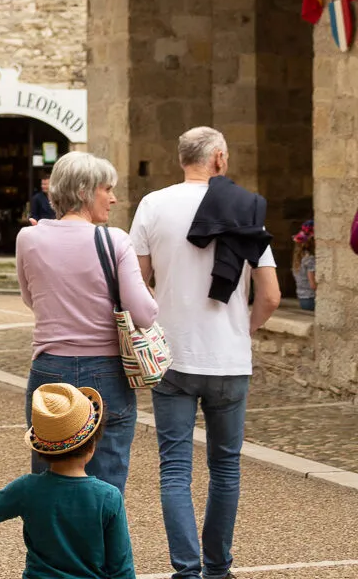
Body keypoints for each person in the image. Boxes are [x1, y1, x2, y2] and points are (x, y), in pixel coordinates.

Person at [130, 126, 280, 579]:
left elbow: (138, 281)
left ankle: (186, 571)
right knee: (225, 468)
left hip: (172, 354)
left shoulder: (153, 205)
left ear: (182, 159)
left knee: (175, 468)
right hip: (229, 357)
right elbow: (270, 294)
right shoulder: (247, 207)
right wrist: (243, 328)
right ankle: (218, 569)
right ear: (218, 158)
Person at [15, 152, 156, 495]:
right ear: (84, 191)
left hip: (49, 369)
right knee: (106, 486)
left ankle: (54, 548)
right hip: (107, 372)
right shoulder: (115, 240)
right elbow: (144, 315)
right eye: (107, 189)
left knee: (49, 483)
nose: (113, 197)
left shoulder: (27, 239)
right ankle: (103, 549)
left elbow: (30, 299)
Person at [0, 382, 134, 579]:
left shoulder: (27, 489)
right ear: (92, 445)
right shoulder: (108, 497)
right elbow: (121, 568)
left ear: (42, 450)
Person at [293, 220, 316, 312]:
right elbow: (312, 285)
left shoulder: (298, 258)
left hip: (302, 299)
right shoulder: (310, 259)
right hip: (311, 300)